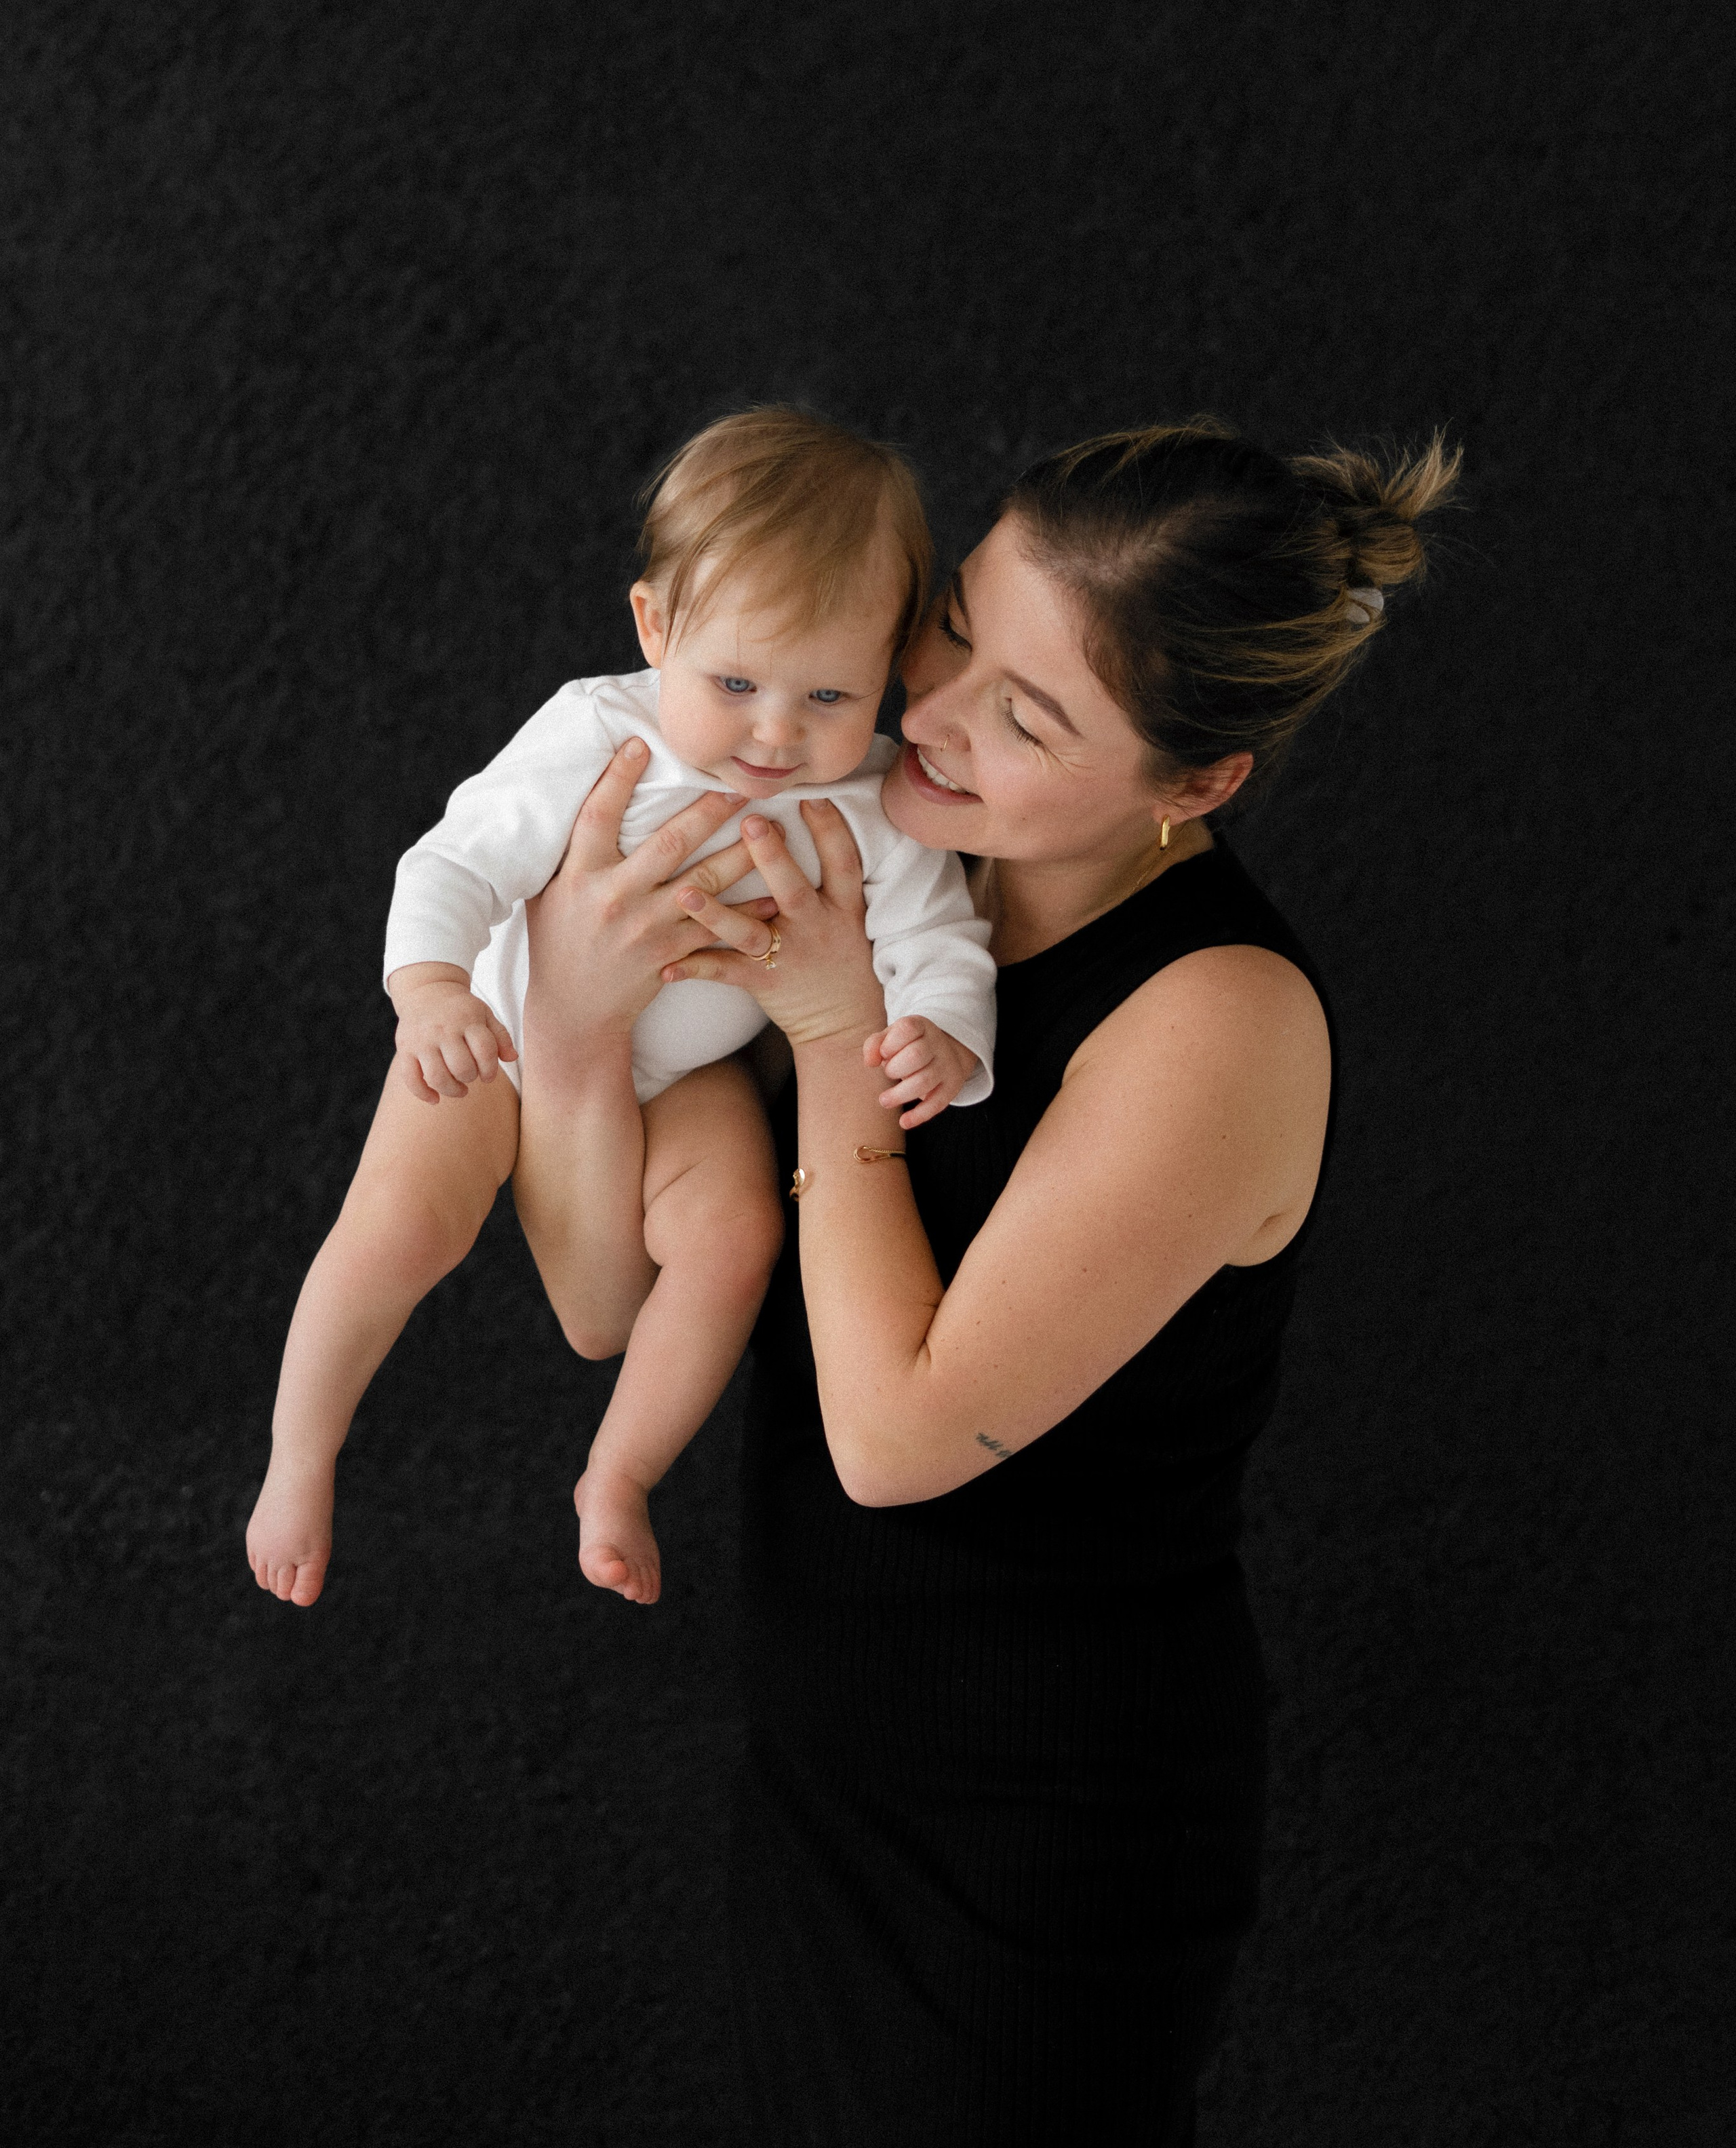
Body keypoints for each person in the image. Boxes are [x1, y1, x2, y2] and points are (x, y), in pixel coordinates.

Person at [513, 417, 1460, 2145]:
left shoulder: (1217, 1020)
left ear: (1194, 784)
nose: (925, 709)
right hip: (826, 1761)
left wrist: (820, 1026)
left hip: (1044, 1826)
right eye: (951, 622)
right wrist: (572, 1032)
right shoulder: (879, 858)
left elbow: (893, 1439)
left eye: (1026, 718)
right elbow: (601, 1305)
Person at [245, 410, 995, 1612]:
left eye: (828, 693)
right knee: (400, 1229)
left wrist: (946, 1028)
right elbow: (451, 864)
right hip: (497, 1031)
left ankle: (620, 1470)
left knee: (737, 1237)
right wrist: (431, 989)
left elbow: (938, 938)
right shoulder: (602, 732)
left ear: (892, 666)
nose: (775, 733)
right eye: (737, 682)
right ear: (656, 628)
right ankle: (299, 1454)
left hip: (693, 1074)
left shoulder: (870, 797)